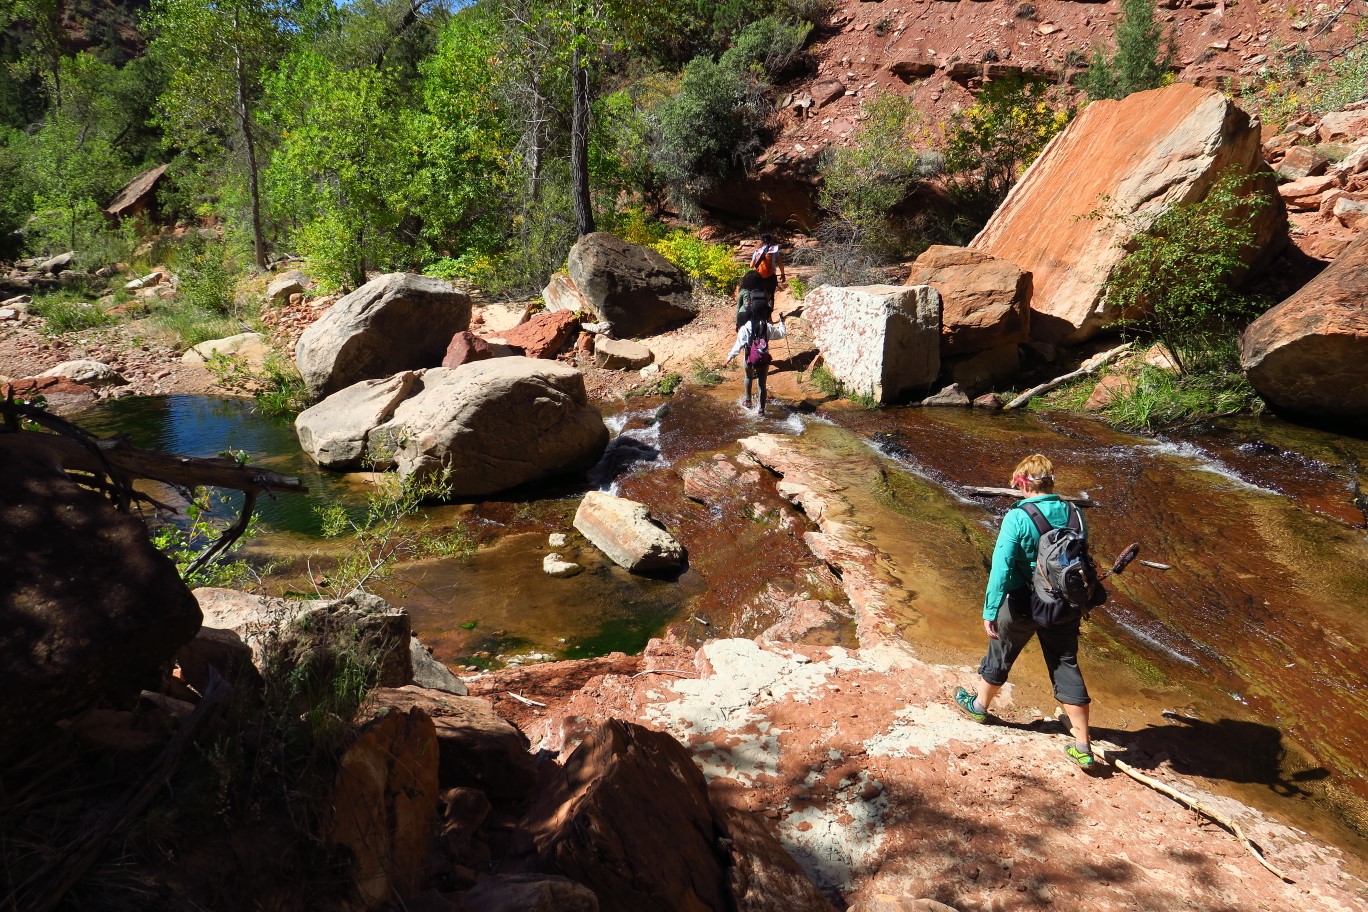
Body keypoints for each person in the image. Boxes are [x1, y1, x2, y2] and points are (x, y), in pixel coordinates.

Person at [954, 454, 1098, 770]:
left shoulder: (1017, 517)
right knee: (1065, 662)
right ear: (1050, 482)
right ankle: (1083, 746)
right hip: (1064, 604)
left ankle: (978, 706)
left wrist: (990, 609)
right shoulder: (1075, 512)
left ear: (1022, 482)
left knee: (1001, 652)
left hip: (1022, 601)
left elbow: (1002, 567)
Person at [724, 309, 787, 416]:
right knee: (762, 383)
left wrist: (729, 358)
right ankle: (761, 410)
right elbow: (781, 334)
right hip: (763, 359)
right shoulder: (767, 327)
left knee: (748, 377)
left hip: (749, 359)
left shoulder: (744, 328)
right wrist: (782, 322)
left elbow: (737, 346)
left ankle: (748, 401)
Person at [750, 233, 786, 298]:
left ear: (762, 241)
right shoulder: (774, 251)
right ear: (770, 240)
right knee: (771, 294)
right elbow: (780, 263)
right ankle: (770, 305)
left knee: (759, 293)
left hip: (759, 276)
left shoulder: (757, 251)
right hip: (771, 275)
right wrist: (782, 274)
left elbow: (751, 265)